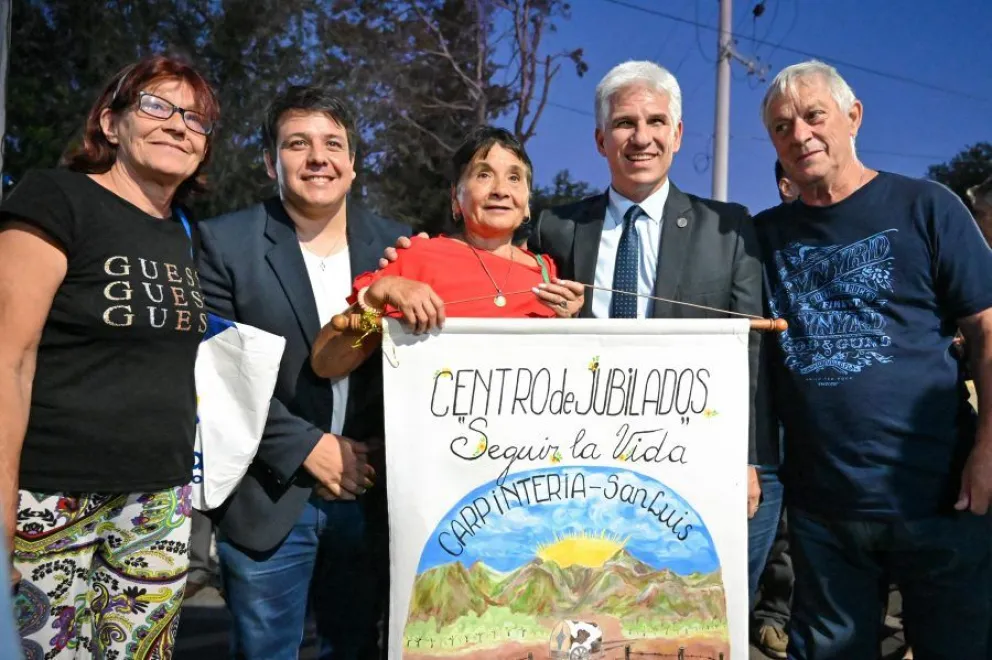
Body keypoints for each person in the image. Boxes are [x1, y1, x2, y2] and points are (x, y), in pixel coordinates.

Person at [755, 60, 992, 659]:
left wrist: (990, 449)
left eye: (814, 115)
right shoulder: (760, 237)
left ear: (853, 116)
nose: (800, 134)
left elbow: (987, 332)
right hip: (822, 516)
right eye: (782, 127)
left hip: (940, 499)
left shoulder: (927, 207)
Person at [529, 60, 778, 599]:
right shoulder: (556, 228)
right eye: (625, 123)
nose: (641, 138)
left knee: (688, 608)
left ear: (678, 134)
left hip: (692, 457)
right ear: (601, 140)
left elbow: (750, 351)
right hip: (583, 459)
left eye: (656, 121)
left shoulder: (730, 229)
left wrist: (747, 459)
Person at [0, 55, 219, 659]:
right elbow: (9, 359)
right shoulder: (55, 198)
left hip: (159, 501)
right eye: (156, 106)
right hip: (49, 497)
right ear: (109, 122)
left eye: (195, 119)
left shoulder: (185, 232)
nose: (177, 125)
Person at [196, 85, 408, 660]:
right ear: (271, 162)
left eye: (333, 144)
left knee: (357, 649)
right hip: (269, 494)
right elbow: (217, 377)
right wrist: (308, 448)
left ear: (353, 163)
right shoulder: (224, 243)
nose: (318, 158)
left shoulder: (398, 247)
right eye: (297, 144)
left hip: (369, 496)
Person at [312, 126, 584, 379]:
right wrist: (376, 296)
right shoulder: (415, 257)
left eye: (514, 178)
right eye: (483, 175)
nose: (501, 190)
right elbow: (325, 363)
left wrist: (572, 325)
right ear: (455, 197)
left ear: (527, 204)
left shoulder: (549, 275)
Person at [750, 161, 798, 660]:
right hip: (766, 406)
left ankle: (784, 615)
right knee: (773, 522)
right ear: (784, 185)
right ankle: (767, 615)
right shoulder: (757, 235)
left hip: (818, 411)